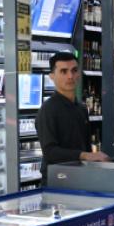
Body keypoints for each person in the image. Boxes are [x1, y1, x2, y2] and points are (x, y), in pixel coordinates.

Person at [37, 51, 109, 183]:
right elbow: (50, 151)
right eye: (64, 71)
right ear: (52, 76)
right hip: (57, 180)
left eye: (74, 70)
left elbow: (85, 146)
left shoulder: (81, 108)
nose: (70, 76)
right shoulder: (48, 109)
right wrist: (85, 155)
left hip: (80, 177)